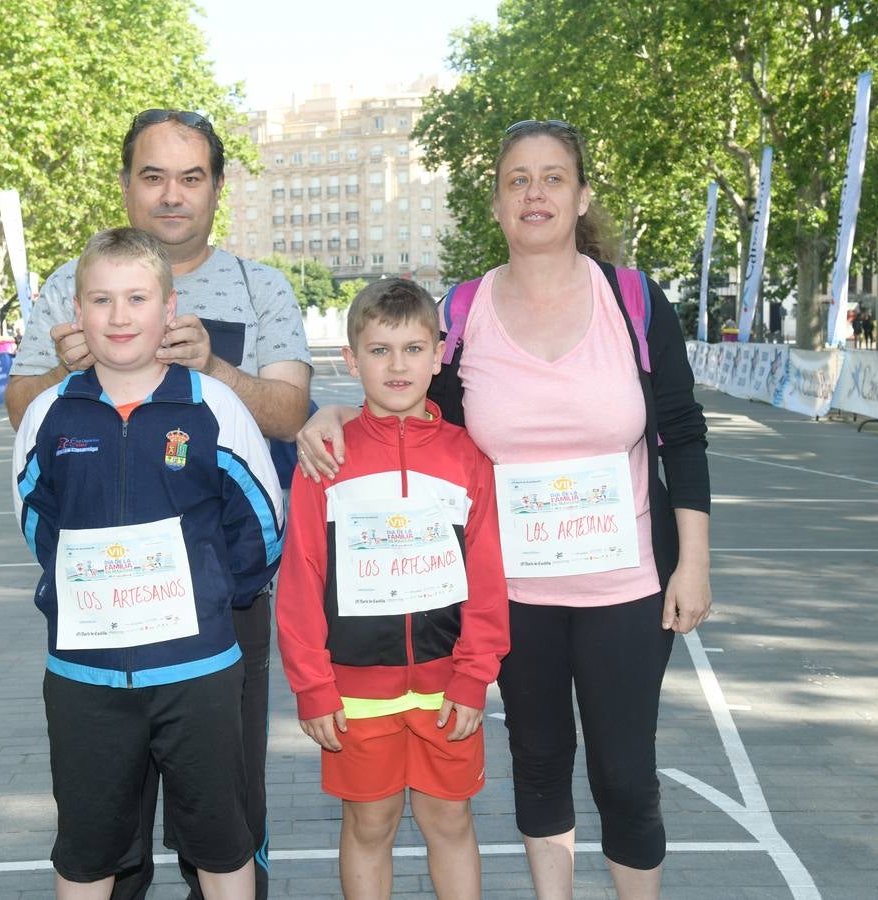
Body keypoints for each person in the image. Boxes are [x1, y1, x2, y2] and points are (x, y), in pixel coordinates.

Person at [296, 120, 711, 900]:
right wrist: (331, 416)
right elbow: (419, 413)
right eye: (517, 179)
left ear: (582, 196)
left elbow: (683, 434)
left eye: (553, 177)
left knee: (625, 775)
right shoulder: (462, 312)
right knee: (541, 764)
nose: (536, 193)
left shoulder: (632, 299)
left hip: (627, 586)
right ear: (496, 201)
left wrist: (694, 562)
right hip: (512, 594)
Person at [4, 109, 312, 900]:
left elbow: (286, 417)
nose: (172, 195)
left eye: (191, 177)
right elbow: (26, 421)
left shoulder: (260, 286)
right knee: (107, 824)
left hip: (215, 608)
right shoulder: (71, 284)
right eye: (153, 176)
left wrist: (214, 366)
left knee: (224, 817)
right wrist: (70, 375)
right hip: (97, 622)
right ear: (126, 184)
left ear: (216, 186)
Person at [276, 279, 509, 900]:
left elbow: (487, 580)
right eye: (379, 351)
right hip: (353, 689)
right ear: (352, 360)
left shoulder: (468, 459)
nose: (397, 365)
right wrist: (312, 685)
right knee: (368, 823)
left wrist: (473, 675)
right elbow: (300, 576)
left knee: (449, 820)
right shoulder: (326, 458)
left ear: (439, 356)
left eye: (413, 349)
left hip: (445, 687)